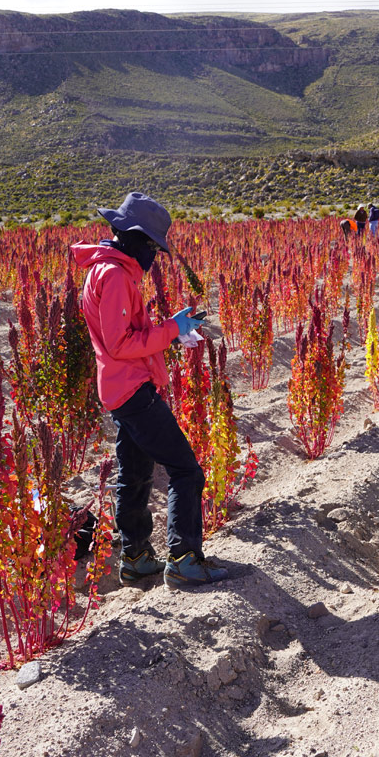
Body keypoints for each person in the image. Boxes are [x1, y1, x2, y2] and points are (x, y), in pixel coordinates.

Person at [74, 191, 227, 588]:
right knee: (186, 470)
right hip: (131, 391)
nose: (154, 256)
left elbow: (125, 336)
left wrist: (172, 331)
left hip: (121, 387)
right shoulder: (115, 275)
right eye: (152, 247)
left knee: (136, 474)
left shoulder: (109, 269)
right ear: (136, 240)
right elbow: (120, 344)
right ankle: (185, 558)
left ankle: (137, 557)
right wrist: (172, 330)